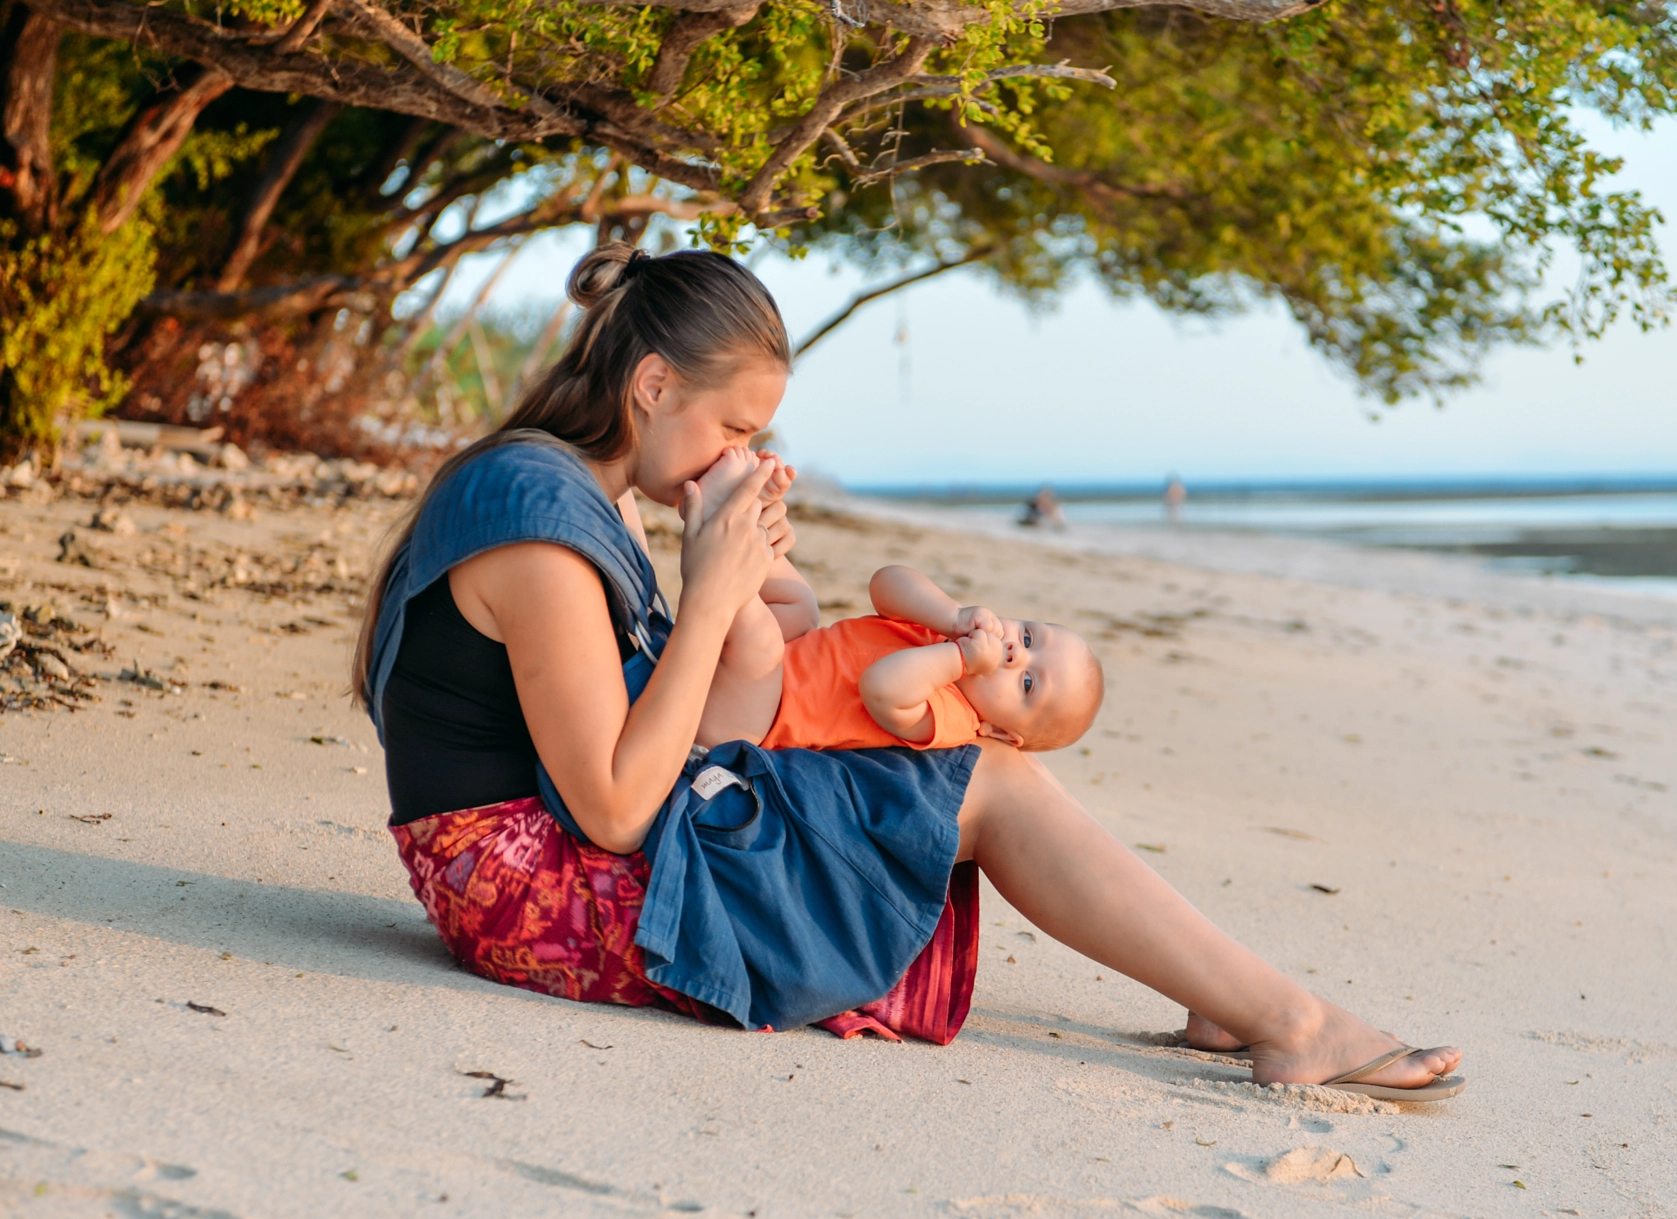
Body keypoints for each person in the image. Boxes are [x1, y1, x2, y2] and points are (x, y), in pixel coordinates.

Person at [352, 242, 1464, 1100]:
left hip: (557, 852)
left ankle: (1228, 999)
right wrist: (704, 600)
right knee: (984, 783)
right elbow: (607, 806)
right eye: (734, 424)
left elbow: (697, 733)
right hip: (521, 890)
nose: (745, 456)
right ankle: (1287, 1022)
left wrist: (746, 599)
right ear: (652, 385)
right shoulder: (539, 528)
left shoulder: (575, 495)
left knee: (950, 764)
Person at [695, 539, 1103, 754]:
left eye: (1027, 683)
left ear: (998, 730)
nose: (1016, 653)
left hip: (748, 724)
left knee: (759, 638)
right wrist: (953, 616)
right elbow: (885, 584)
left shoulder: (952, 717)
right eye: (1028, 638)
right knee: (802, 602)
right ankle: (745, 524)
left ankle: (719, 558)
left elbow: (882, 685)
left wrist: (961, 659)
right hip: (783, 659)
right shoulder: (943, 630)